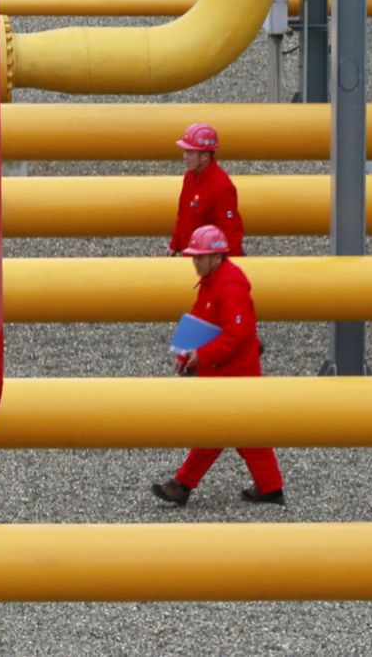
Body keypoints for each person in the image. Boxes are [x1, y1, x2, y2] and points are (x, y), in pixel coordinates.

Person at [151, 225, 286, 506]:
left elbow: (237, 334)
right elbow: (200, 319)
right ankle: (270, 488)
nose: (195, 262)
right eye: (193, 256)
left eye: (199, 257)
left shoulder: (230, 285)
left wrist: (200, 356)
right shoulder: (215, 280)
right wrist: (184, 355)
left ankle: (183, 485)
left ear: (216, 256)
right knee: (241, 432)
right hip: (227, 371)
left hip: (234, 373)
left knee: (217, 430)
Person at [169, 123, 245, 258]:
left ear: (205, 157)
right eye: (185, 152)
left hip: (208, 263)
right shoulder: (190, 177)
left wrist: (227, 268)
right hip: (193, 258)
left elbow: (231, 232)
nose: (185, 157)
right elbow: (183, 215)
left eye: (190, 152)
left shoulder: (221, 186)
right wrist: (174, 245)